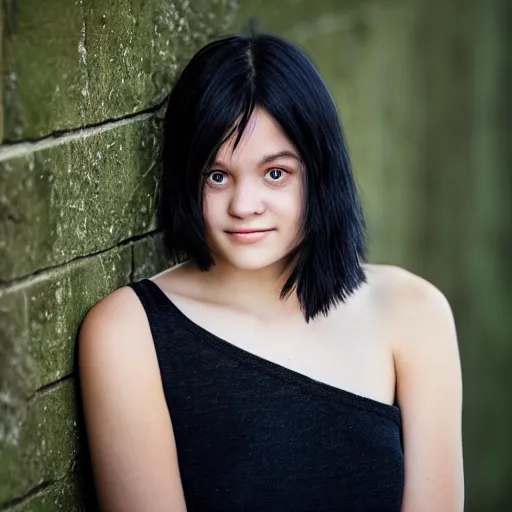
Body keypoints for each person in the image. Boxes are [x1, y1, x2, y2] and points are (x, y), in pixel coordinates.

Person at [78, 32, 464, 512]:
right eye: (216, 176)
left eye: (275, 173)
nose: (244, 206)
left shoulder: (413, 311)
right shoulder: (128, 331)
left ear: (320, 172)